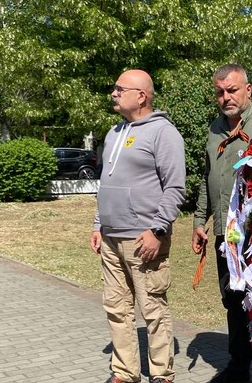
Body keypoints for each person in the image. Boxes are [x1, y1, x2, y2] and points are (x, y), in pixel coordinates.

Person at [90, 69, 186, 383]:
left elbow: (175, 188)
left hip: (144, 239)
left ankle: (161, 374)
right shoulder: (113, 132)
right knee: (116, 308)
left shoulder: (164, 132)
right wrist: (97, 224)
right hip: (111, 238)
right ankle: (124, 372)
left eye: (120, 89)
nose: (113, 93)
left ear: (141, 96)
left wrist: (158, 230)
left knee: (153, 310)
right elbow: (106, 182)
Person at [192, 64, 252, 383]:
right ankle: (239, 367)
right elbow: (208, 178)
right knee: (233, 301)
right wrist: (200, 220)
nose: (226, 97)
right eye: (220, 92)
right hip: (227, 235)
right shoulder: (214, 129)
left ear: (247, 90)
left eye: (232, 90)